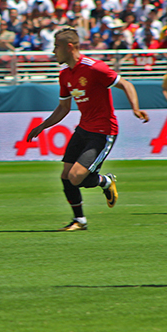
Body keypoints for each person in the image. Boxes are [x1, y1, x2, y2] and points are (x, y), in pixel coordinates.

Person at [26, 27, 149, 231]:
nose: (53, 51)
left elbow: (126, 84)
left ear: (69, 47)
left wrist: (135, 108)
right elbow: (64, 107)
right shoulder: (65, 74)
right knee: (66, 176)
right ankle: (79, 221)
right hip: (83, 129)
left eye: (56, 46)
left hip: (103, 131)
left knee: (76, 177)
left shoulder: (95, 68)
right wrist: (43, 125)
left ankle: (105, 181)